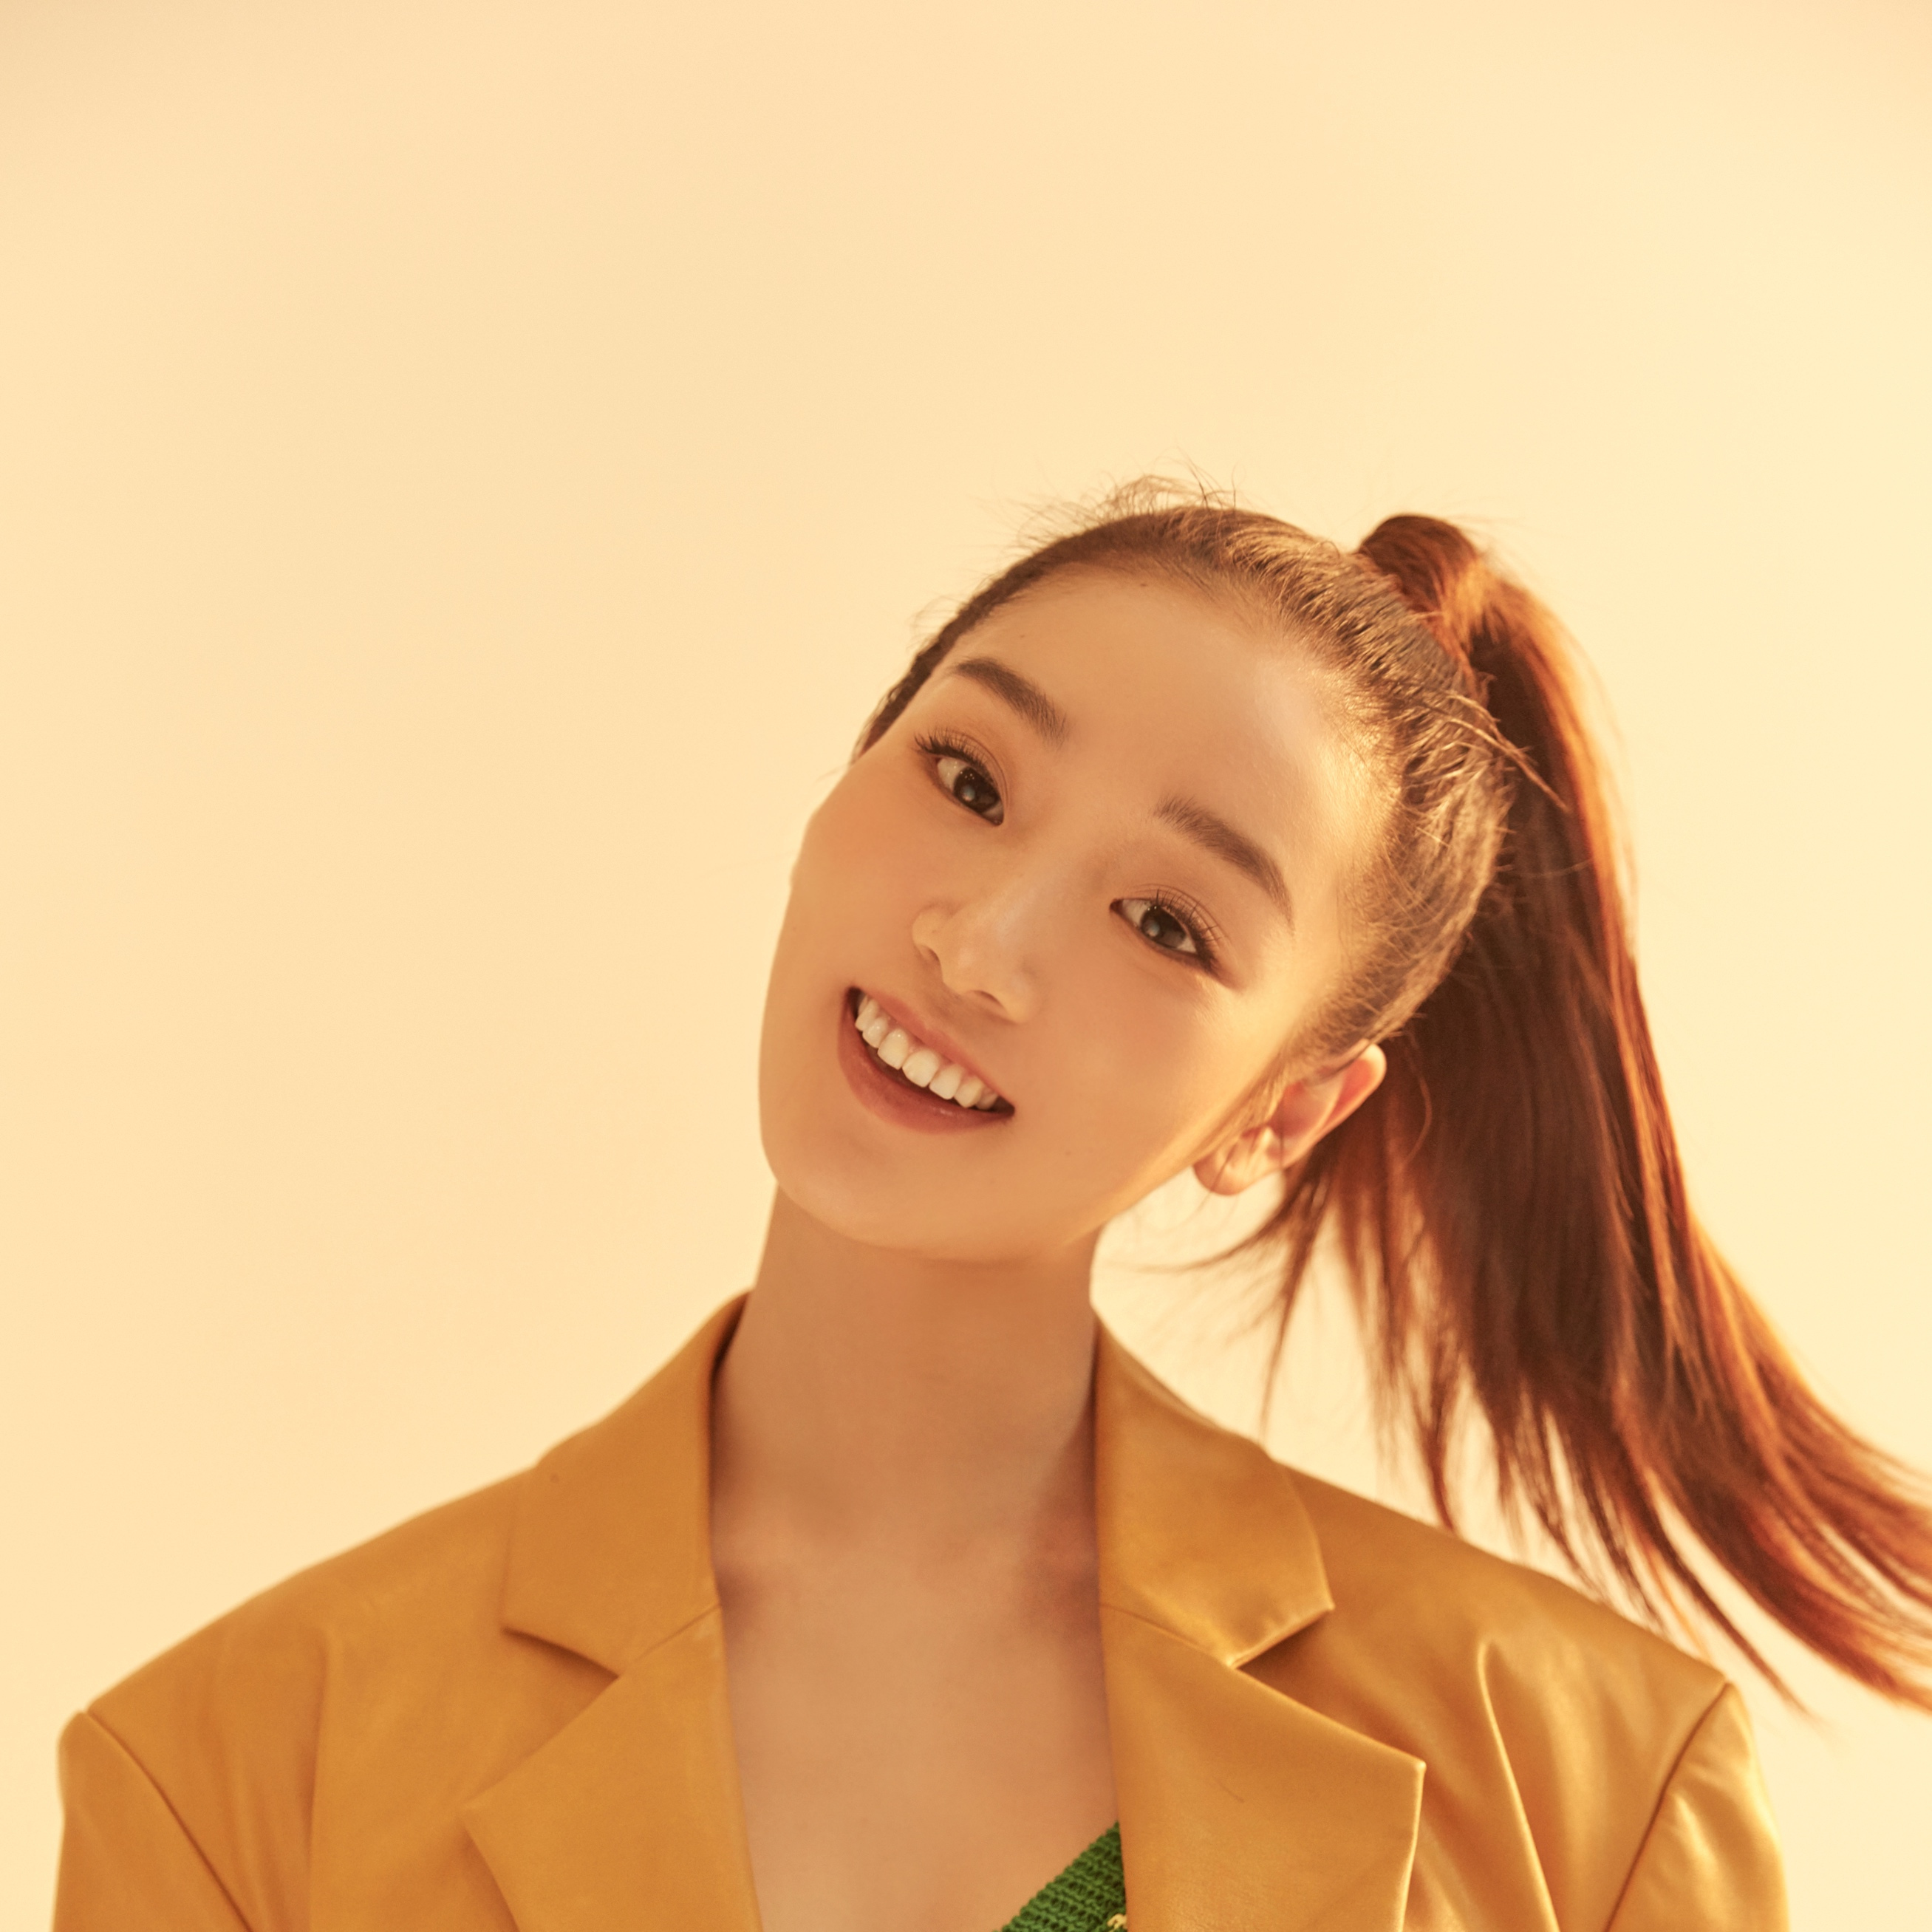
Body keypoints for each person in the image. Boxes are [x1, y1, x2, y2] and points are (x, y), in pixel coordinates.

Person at [52, 483, 1932, 1932]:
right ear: (835, 790)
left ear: (1285, 1111)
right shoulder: (232, 1775)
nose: (984, 942)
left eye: (1167, 922)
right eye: (966, 778)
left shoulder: (1589, 1798)